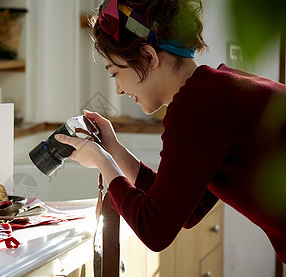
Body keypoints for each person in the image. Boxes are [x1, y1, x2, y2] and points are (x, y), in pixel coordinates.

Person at [55, 0, 286, 263]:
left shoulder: (196, 106)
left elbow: (155, 231)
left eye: (115, 73)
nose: (118, 89)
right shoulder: (216, 89)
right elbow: (188, 211)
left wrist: (102, 161)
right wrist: (115, 151)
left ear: (149, 57)